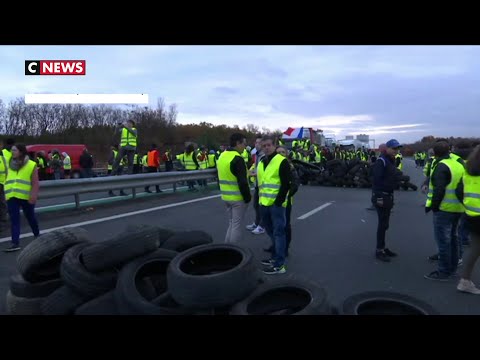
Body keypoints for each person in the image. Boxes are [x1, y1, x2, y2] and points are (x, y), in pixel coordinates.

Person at [424, 140, 465, 281]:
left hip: (444, 209)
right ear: (449, 151)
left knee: (443, 242)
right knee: (453, 239)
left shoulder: (441, 166)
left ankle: (444, 271)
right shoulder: (458, 163)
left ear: (434, 153)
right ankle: (453, 269)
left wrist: (434, 206)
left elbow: (439, 190)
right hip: (458, 208)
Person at [258, 135, 292, 274]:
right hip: (263, 203)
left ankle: (279, 265)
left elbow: (286, 184)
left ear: (274, 145)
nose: (266, 148)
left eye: (269, 145)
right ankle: (275, 256)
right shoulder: (261, 161)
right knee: (270, 231)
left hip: (276, 205)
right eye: (264, 145)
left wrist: (278, 202)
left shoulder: (281, 161)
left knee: (279, 233)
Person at [3, 144, 40, 252]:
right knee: (14, 220)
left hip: (26, 196)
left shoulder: (31, 164)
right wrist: (6, 194)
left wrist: (33, 195)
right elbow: (7, 179)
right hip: (12, 196)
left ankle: (37, 235)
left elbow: (35, 183)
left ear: (21, 152)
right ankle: (15, 243)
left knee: (30, 217)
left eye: (14, 150)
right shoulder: (8, 164)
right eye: (12, 150)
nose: (12, 152)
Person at [217, 133, 251, 244]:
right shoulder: (237, 158)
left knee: (232, 223)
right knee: (236, 226)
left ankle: (227, 247)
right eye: (244, 144)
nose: (245, 147)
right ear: (238, 143)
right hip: (237, 197)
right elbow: (242, 182)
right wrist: (247, 197)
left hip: (225, 196)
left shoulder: (222, 155)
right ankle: (232, 251)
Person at [371, 140, 401, 262]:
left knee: (385, 224)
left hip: (388, 195)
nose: (396, 151)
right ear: (387, 149)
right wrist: (378, 197)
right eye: (394, 148)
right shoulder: (381, 161)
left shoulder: (390, 160)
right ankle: (379, 250)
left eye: (397, 149)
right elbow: (376, 180)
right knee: (382, 224)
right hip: (381, 196)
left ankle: (383, 247)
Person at [456, 145, 480, 294]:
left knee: (475, 249)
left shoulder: (468, 171)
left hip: (471, 215)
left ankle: (465, 280)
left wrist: (468, 204)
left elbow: (459, 191)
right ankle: (464, 281)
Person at [275, 145, 300, 257]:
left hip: (285, 202)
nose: (280, 154)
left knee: (285, 225)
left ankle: (285, 248)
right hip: (273, 201)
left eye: (282, 152)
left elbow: (295, 183)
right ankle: (275, 246)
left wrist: (287, 195)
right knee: (275, 226)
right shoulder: (272, 165)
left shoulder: (290, 166)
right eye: (278, 152)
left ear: (286, 154)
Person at [246, 135, 266, 235]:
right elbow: (257, 167)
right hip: (258, 184)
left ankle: (262, 226)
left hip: (264, 186)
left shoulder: (265, 155)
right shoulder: (257, 155)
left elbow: (265, 171)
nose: (256, 144)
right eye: (256, 143)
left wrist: (255, 173)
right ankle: (257, 223)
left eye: (259, 143)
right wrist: (252, 172)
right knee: (256, 205)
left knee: (262, 207)